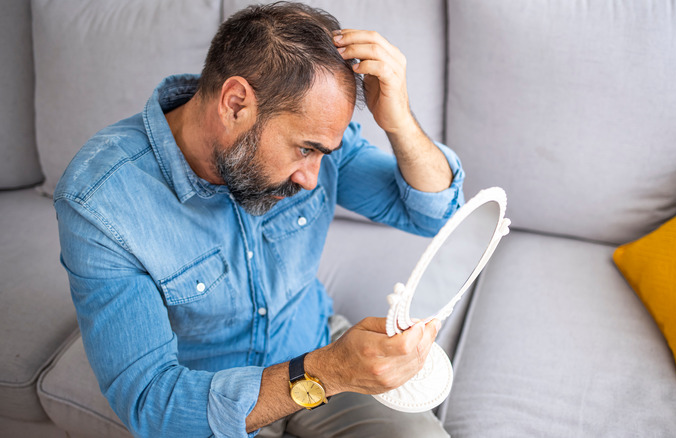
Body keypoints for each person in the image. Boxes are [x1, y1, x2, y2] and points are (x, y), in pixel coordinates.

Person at [54, 2, 464, 437]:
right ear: (235, 104)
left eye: (322, 153)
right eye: (304, 149)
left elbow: (433, 214)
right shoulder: (101, 202)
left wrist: (398, 122)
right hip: (210, 397)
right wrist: (328, 373)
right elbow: (154, 404)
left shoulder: (318, 136)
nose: (311, 180)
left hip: (315, 342)